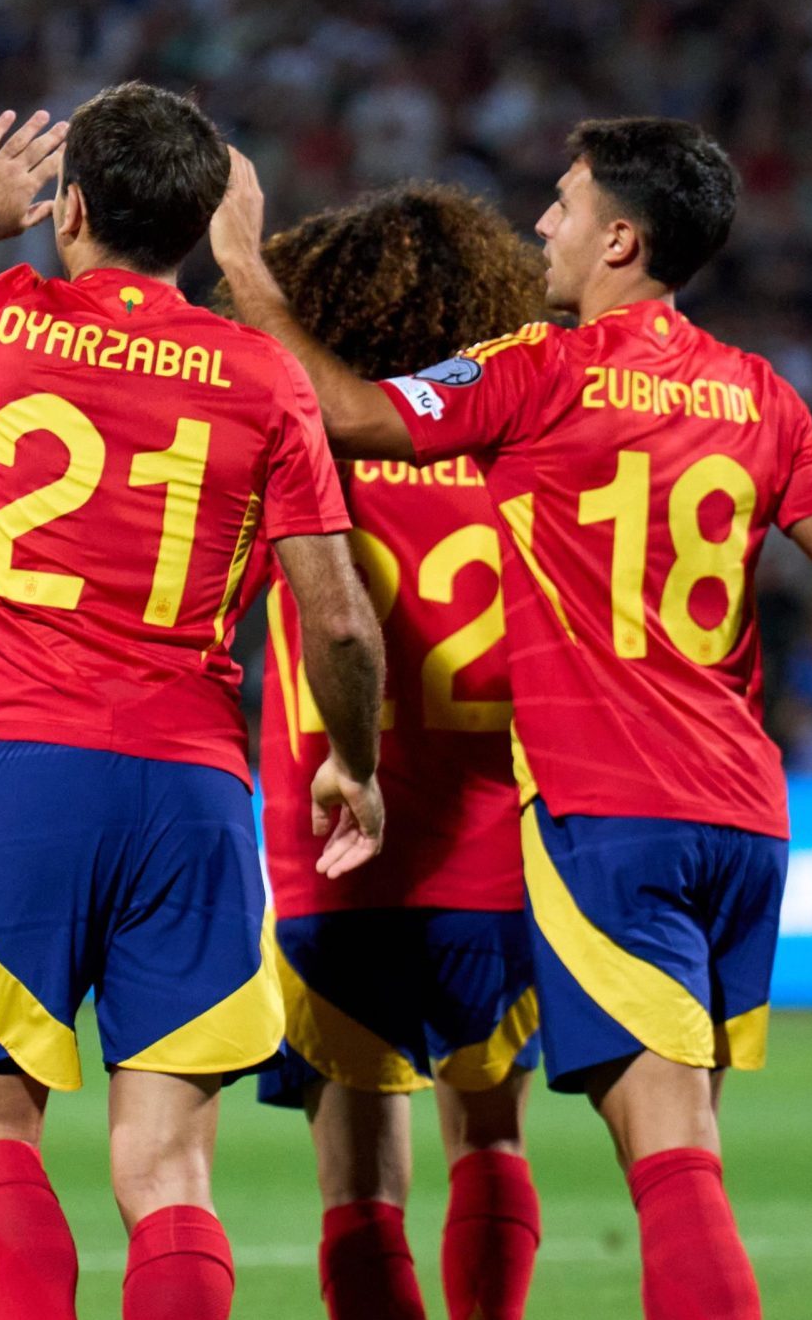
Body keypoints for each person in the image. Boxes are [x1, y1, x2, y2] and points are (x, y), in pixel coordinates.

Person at [215, 117, 812, 1320]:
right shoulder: (759, 393)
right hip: (735, 818)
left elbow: (345, 418)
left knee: (658, 1169)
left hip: (585, 821)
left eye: (563, 204)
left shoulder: (532, 379)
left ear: (622, 237)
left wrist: (247, 271)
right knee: (626, 1149)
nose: (543, 225)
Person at [0, 81, 387, 1320]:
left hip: (26, 773)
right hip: (192, 790)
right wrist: (357, 761)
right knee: (170, 1171)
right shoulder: (259, 376)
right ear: (193, 226)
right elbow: (338, 616)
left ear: (66, 210)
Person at [222, 183, 550, 1320]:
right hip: (495, 859)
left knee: (357, 1184)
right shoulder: (521, 453)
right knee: (492, 1138)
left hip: (336, 863)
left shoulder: (303, 446)